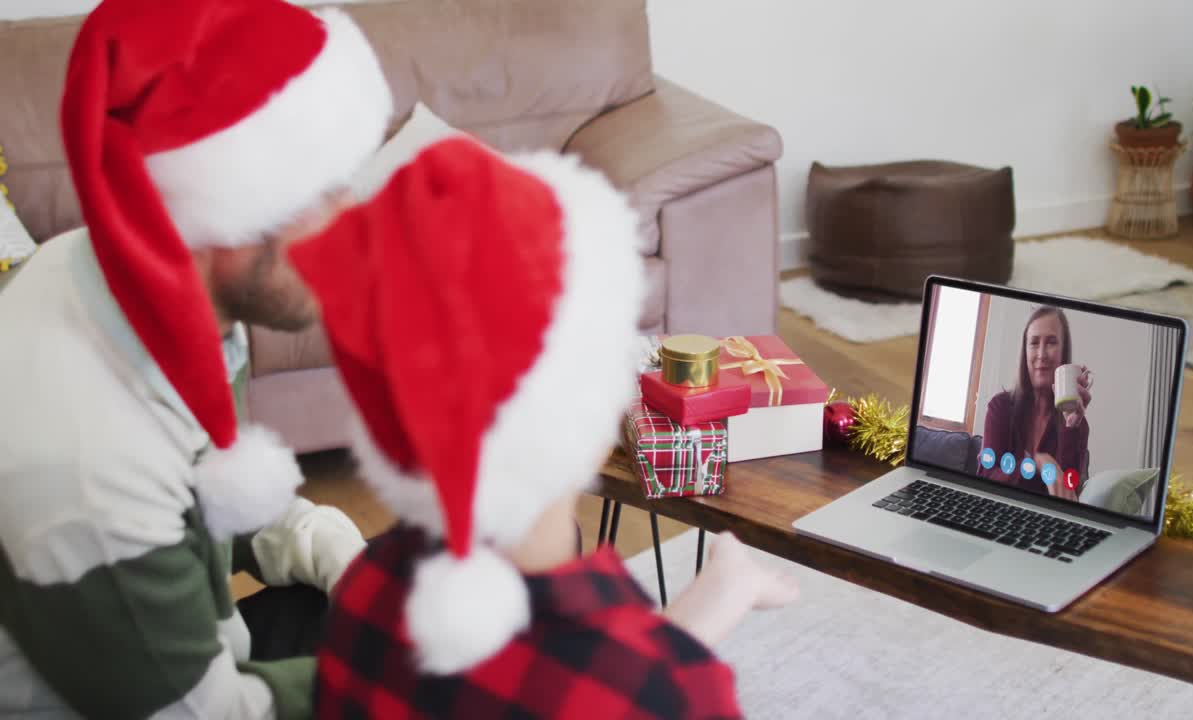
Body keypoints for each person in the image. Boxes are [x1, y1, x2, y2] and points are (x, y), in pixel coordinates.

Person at [292, 134, 798, 719]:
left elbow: (593, 669)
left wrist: (716, 599)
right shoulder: (672, 695)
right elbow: (630, 684)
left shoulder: (364, 592)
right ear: (597, 409)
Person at [0, 0, 393, 716]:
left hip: (192, 651)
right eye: (323, 192)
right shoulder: (89, 470)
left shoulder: (134, 286)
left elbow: (214, 488)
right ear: (227, 210)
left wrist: (344, 558)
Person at [977, 305, 1092, 500]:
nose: (1041, 354)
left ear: (1064, 353)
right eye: (1034, 343)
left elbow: (1069, 489)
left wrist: (1070, 427)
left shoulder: (1077, 426)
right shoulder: (1000, 408)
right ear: (1025, 352)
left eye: (1051, 342)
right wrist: (1037, 463)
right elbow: (986, 474)